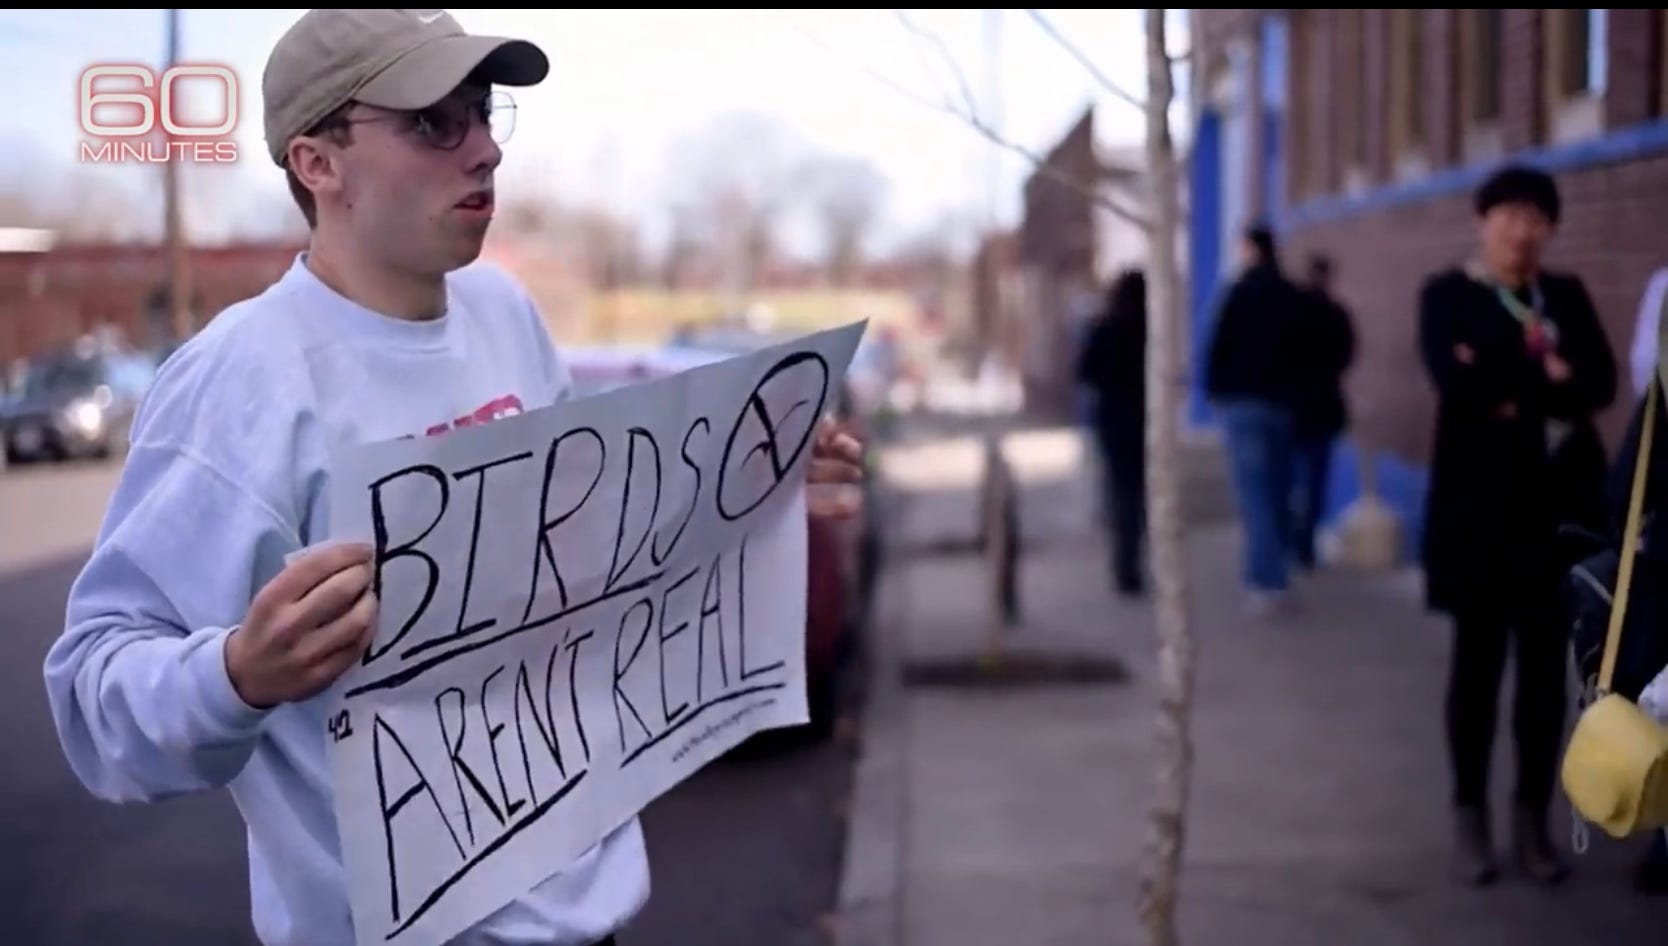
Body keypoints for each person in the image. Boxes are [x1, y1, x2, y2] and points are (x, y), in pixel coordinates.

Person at [39, 10, 867, 946]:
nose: (484, 150)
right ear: (318, 162)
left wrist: (732, 473)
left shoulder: (503, 311)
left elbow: (579, 552)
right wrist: (237, 675)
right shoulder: (241, 381)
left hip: (596, 922)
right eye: (434, 123)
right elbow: (93, 694)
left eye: (482, 113)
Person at [1417, 164, 1617, 888]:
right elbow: (1456, 383)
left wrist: (1508, 385)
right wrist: (1548, 380)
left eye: (1536, 217)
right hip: (1477, 518)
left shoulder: (1565, 294)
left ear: (1550, 228)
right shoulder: (1448, 295)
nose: (1521, 230)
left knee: (1542, 679)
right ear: (1483, 220)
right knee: (1475, 671)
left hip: (1554, 520)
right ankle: (1469, 815)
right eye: (1508, 214)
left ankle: (1533, 819)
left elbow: (1600, 383)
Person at [1205, 223, 1307, 613]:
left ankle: (1267, 578)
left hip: (1244, 404)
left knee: (1256, 494)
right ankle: (1276, 569)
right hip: (1282, 404)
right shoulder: (1290, 295)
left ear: (1250, 249)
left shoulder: (1240, 293)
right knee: (1278, 491)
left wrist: (1214, 392)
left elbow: (1218, 346)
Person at [1076, 268, 1149, 596]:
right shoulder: (1147, 331)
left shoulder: (1105, 327)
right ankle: (1132, 560)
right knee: (1137, 493)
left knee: (1121, 492)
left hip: (1113, 420)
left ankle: (1125, 563)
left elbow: (1085, 372)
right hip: (1141, 419)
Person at [1287, 253, 1356, 570]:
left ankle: (1293, 540)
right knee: (1315, 482)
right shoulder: (1335, 314)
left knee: (1291, 480)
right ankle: (1305, 545)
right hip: (1324, 406)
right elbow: (1346, 355)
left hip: (1293, 407)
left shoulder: (1294, 313)